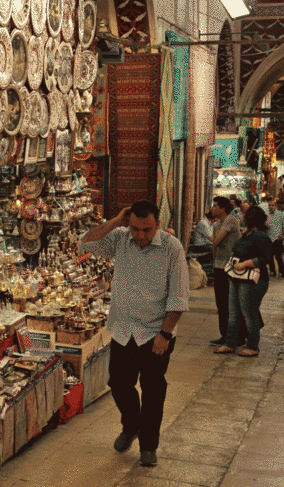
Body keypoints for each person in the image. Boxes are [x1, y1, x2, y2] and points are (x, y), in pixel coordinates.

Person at [79, 200, 187, 468]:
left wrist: (165, 333)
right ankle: (132, 425)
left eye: (147, 230)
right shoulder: (120, 238)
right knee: (118, 383)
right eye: (135, 229)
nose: (140, 235)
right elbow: (86, 243)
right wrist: (117, 221)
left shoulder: (172, 248)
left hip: (155, 332)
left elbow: (179, 295)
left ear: (158, 224)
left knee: (153, 390)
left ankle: (148, 446)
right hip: (124, 329)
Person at [214, 205, 273, 357]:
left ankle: (253, 346)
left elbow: (266, 257)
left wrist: (246, 263)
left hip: (252, 280)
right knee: (233, 313)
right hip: (237, 278)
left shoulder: (260, 236)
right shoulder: (248, 233)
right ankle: (230, 344)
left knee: (249, 314)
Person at [210, 196, 246, 346]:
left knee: (231, 303)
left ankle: (239, 336)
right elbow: (214, 246)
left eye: (215, 206)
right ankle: (224, 334)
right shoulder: (217, 224)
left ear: (222, 209)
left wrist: (212, 241)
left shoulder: (231, 220)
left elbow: (217, 241)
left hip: (231, 267)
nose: (212, 208)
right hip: (220, 266)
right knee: (221, 303)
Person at [267, 200, 284, 277]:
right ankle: (272, 270)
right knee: (270, 256)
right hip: (269, 238)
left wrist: (282, 235)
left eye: (272, 205)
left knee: (278, 257)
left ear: (275, 206)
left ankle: (282, 271)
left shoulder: (281, 214)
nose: (271, 207)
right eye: (269, 205)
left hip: (277, 238)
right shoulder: (266, 215)